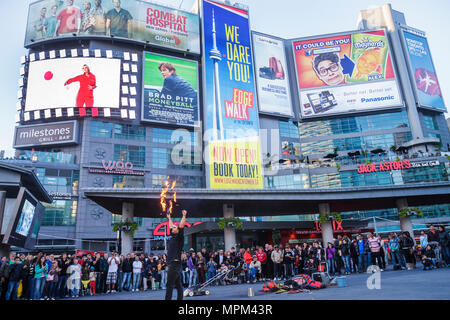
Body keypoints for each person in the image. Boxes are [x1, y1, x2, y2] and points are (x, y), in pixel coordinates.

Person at [165, 209, 187, 300]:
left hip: (174, 264)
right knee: (178, 285)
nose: (172, 228)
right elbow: (170, 226)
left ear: (177, 230)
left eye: (174, 227)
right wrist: (169, 218)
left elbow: (181, 226)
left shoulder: (179, 237)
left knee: (169, 285)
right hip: (173, 264)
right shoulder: (173, 237)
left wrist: (184, 216)